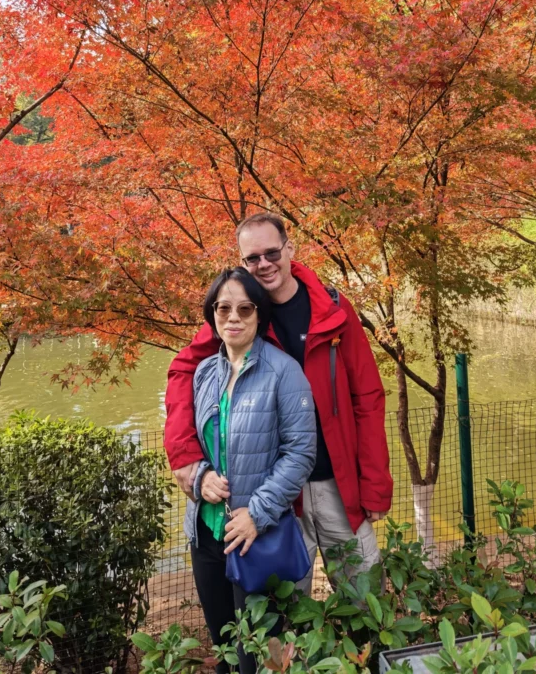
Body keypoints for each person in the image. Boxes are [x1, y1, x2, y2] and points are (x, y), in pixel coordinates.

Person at [166, 213, 393, 595]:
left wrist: (375, 483)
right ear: (242, 262)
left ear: (290, 249)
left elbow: (367, 398)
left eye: (272, 252)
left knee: (366, 599)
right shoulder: (241, 314)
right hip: (278, 495)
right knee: (285, 614)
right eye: (252, 258)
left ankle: (371, 658)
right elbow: (183, 371)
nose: (264, 264)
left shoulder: (332, 308)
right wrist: (186, 458)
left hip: (338, 484)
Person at [185, 266, 316, 674]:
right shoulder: (205, 372)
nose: (233, 317)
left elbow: (300, 452)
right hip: (207, 533)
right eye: (223, 308)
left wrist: (256, 514)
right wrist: (200, 477)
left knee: (259, 657)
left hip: (256, 537)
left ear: (259, 315)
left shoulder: (283, 371)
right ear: (212, 315)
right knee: (224, 649)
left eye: (245, 308)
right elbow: (196, 442)